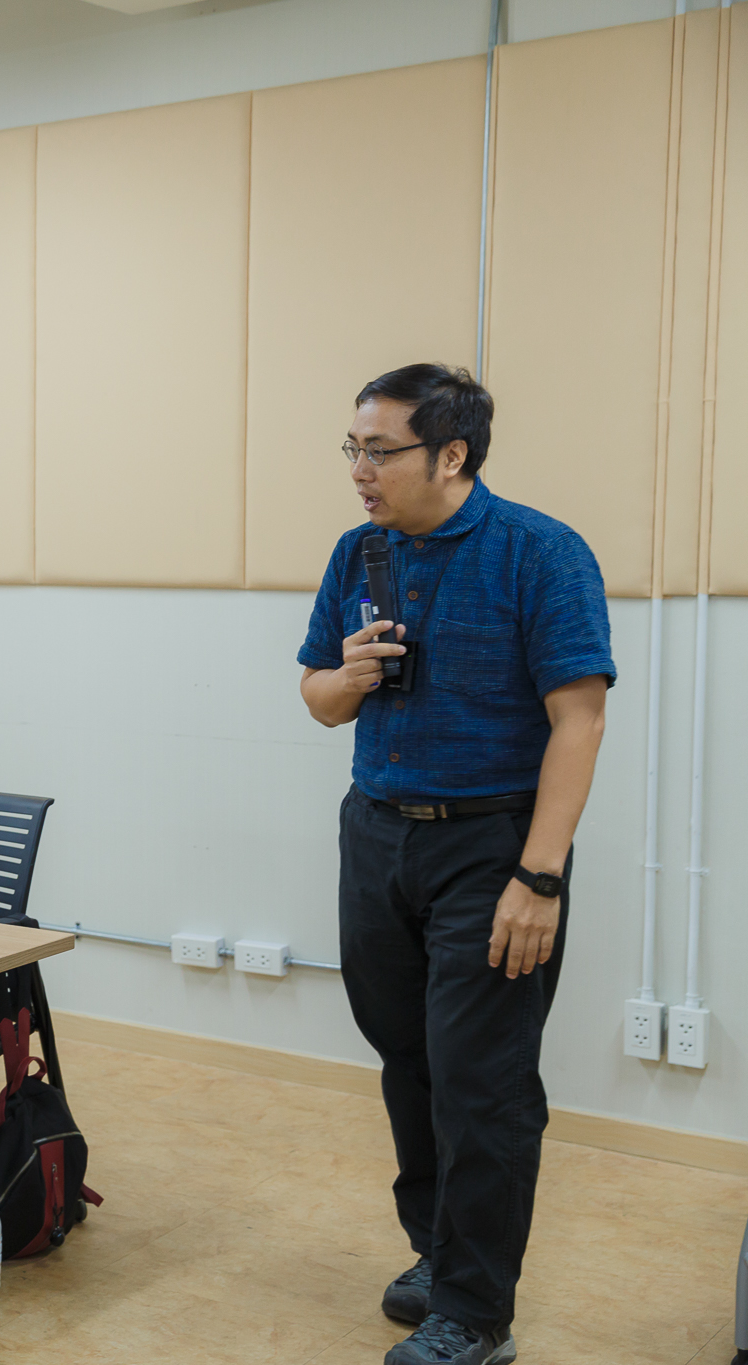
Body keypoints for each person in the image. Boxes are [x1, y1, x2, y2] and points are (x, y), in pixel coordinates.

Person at [297, 365, 612, 1365]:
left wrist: (539, 877)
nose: (359, 469)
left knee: (482, 1082)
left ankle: (476, 1313)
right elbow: (316, 695)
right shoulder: (359, 552)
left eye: (378, 450)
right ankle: (438, 1254)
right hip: (376, 833)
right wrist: (345, 676)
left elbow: (579, 721)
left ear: (451, 454)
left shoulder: (540, 553)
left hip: (491, 847)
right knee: (409, 1060)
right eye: (352, 448)